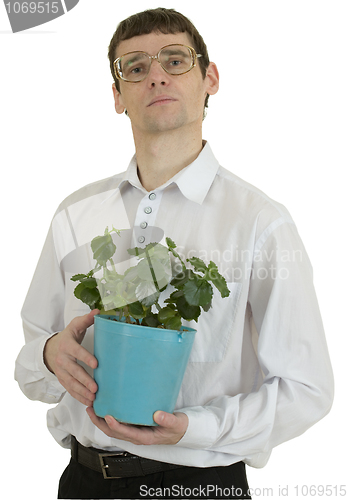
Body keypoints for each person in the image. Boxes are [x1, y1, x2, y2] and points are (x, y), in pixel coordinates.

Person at [15, 7, 334, 500]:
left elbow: (307, 390)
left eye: (175, 60)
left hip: (200, 487)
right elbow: (30, 362)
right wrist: (48, 353)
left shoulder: (258, 222)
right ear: (117, 97)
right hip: (84, 482)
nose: (156, 75)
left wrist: (194, 429)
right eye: (135, 68)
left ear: (210, 78)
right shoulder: (74, 215)